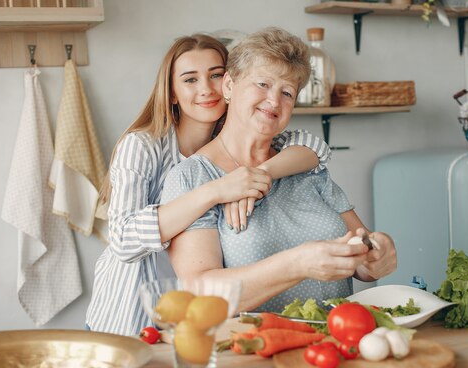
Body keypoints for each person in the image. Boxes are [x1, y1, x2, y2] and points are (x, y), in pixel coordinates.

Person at [86, 34, 332, 335]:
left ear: (230, 82)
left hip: (194, 318)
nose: (206, 89)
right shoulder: (143, 146)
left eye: (215, 75)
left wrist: (261, 173)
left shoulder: (240, 136)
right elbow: (122, 239)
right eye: (190, 80)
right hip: (131, 312)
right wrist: (216, 190)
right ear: (172, 93)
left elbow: (314, 148)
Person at [161, 27, 396, 313]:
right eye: (262, 84)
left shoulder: (306, 167)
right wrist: (296, 265)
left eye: (287, 92)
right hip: (254, 348)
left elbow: (362, 256)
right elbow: (203, 292)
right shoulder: (193, 178)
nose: (274, 101)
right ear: (229, 86)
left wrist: (377, 252)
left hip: (336, 341)